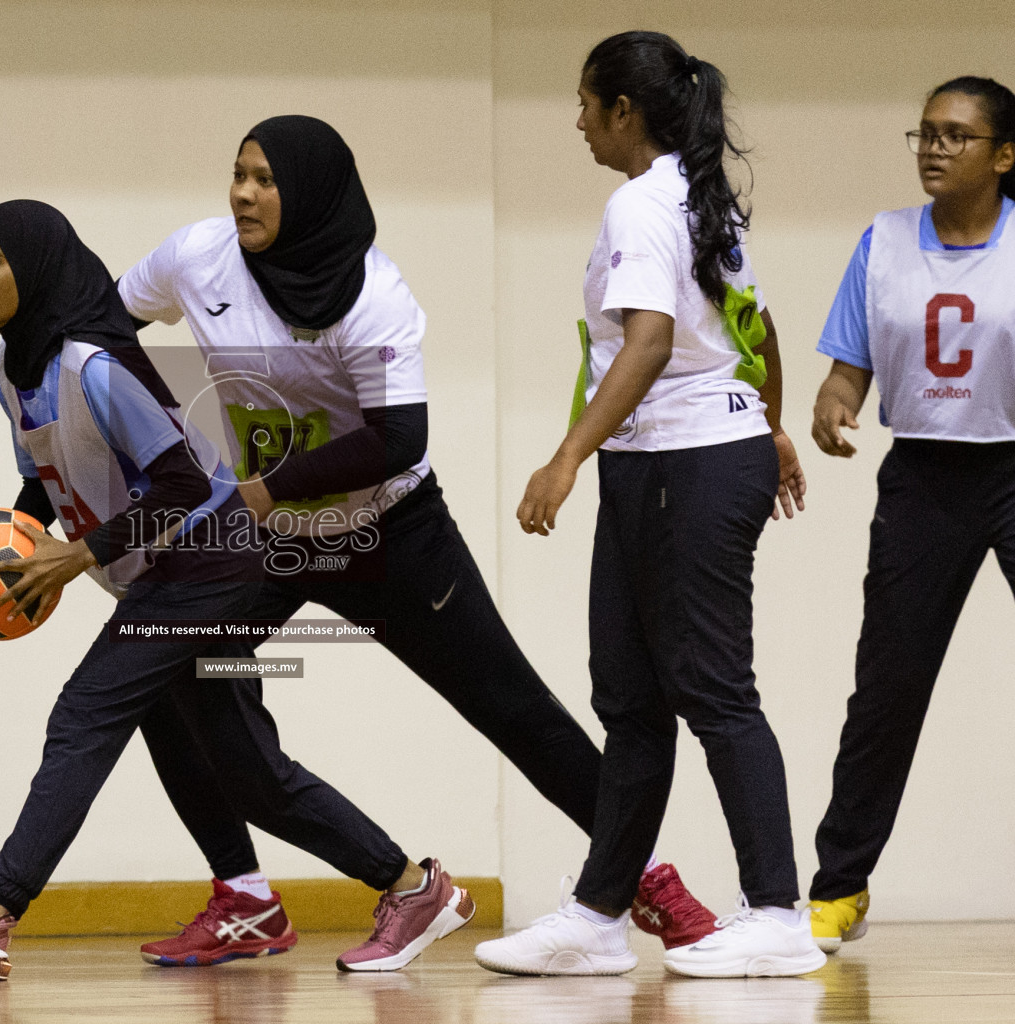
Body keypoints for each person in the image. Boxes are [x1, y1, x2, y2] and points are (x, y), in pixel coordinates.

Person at [117, 114, 717, 969]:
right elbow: (107, 327)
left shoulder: (375, 293)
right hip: (273, 538)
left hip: (390, 531)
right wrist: (169, 438)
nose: (242, 193)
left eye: (264, 179)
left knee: (513, 710)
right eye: (238, 173)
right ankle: (247, 898)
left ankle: (644, 876)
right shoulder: (196, 256)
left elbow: (396, 437)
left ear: (314, 194)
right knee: (166, 666)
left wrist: (254, 486)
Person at [0, 199, 474, 981]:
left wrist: (77, 554)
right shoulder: (10, 371)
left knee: (86, 711)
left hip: (212, 566)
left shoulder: (94, 365)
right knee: (253, 774)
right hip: (162, 576)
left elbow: (187, 485)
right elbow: (42, 488)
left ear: (38, 267)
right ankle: (405, 887)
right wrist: (3, 552)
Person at [472, 32, 820, 979]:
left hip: (688, 467)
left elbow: (654, 341)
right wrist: (771, 424)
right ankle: (596, 914)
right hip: (677, 461)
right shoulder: (697, 196)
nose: (577, 120)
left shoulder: (641, 198)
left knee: (713, 690)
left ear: (624, 111)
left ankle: (779, 912)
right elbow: (755, 327)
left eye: (585, 102)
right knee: (629, 700)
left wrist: (563, 458)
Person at [807, 76, 1015, 954]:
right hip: (924, 479)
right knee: (887, 689)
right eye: (924, 132)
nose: (934, 147)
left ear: (1003, 156)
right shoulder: (885, 241)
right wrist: (832, 397)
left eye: (956, 135)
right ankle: (839, 887)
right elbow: (851, 360)